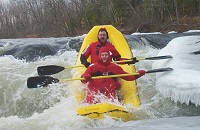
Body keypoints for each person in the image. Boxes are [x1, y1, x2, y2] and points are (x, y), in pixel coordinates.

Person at [81, 47, 146, 104]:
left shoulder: (115, 67)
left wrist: (138, 74)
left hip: (109, 94)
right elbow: (83, 79)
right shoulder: (92, 66)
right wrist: (86, 78)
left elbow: (128, 77)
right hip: (94, 94)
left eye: (106, 55)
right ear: (100, 56)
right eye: (102, 55)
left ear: (109, 56)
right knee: (90, 100)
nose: (104, 57)